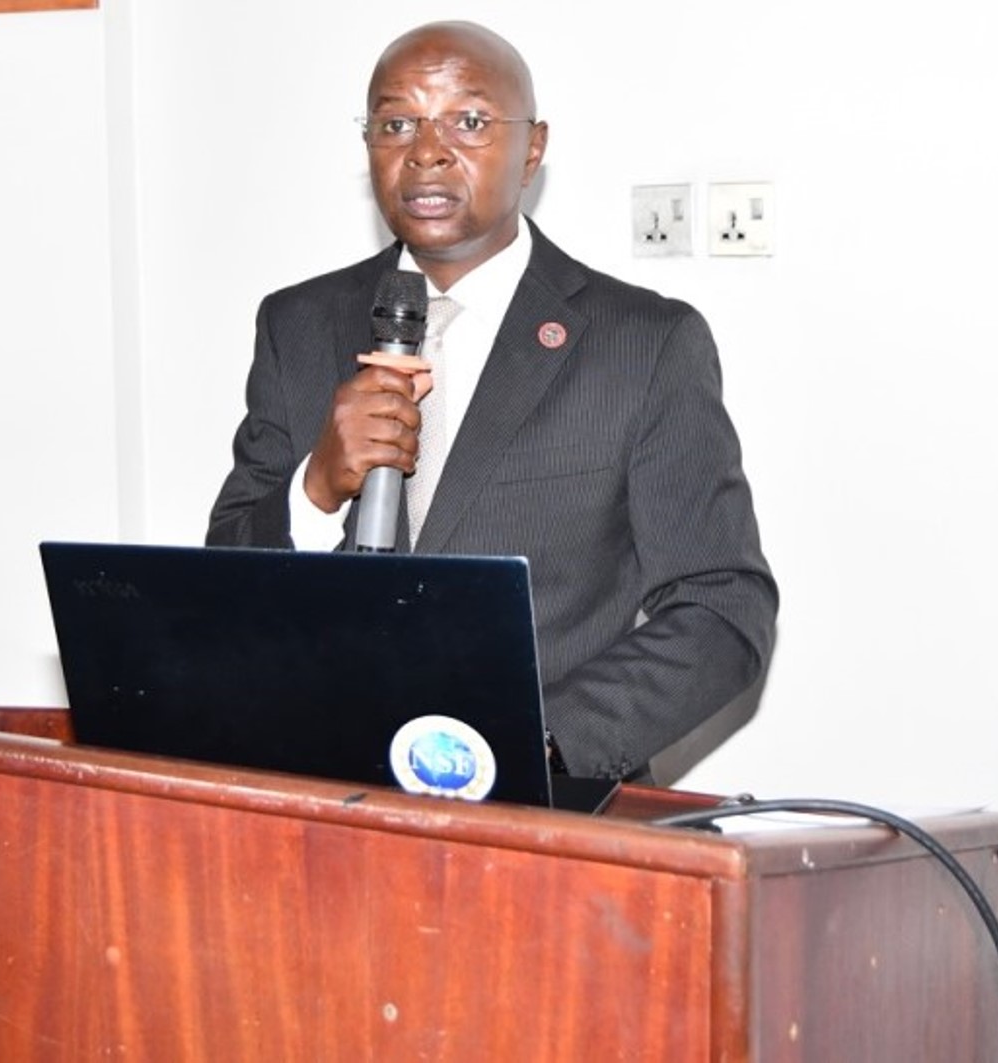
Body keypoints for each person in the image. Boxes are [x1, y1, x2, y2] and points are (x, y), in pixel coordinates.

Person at [207, 21, 777, 781]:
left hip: (542, 816)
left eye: (469, 121)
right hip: (323, 791)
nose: (427, 150)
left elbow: (721, 608)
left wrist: (536, 744)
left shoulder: (643, 343)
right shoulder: (297, 324)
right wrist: (314, 488)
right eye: (396, 122)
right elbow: (214, 592)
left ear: (532, 149)